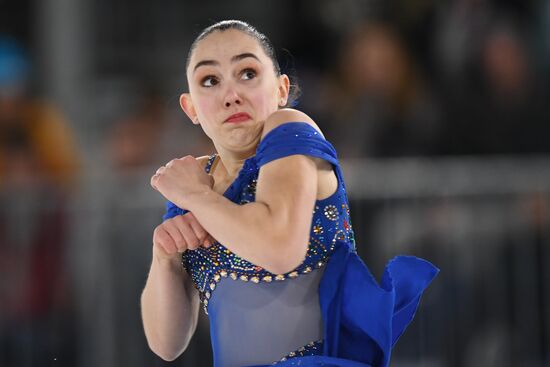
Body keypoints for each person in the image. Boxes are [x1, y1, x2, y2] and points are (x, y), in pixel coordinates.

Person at [141, 20, 439, 367]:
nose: (231, 94)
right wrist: (165, 258)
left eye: (248, 73)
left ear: (282, 90)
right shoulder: (195, 182)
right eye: (210, 81)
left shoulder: (290, 129)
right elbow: (166, 343)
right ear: (191, 107)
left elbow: (278, 248)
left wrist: (195, 198)